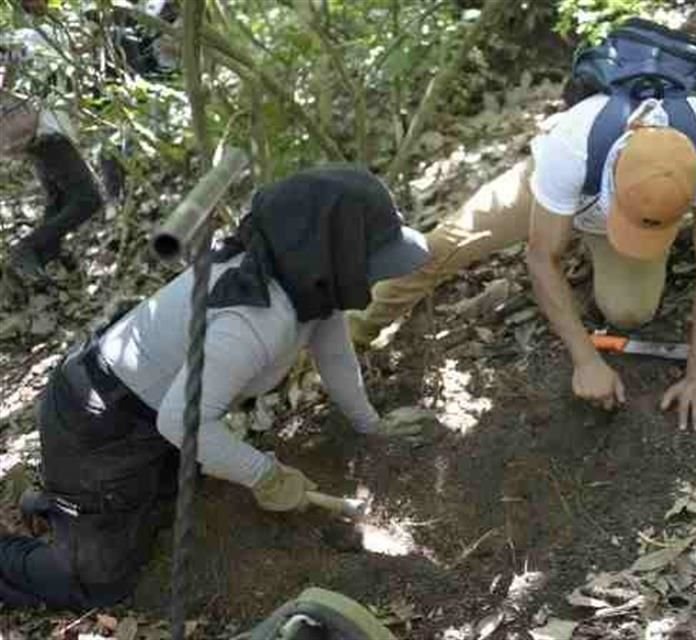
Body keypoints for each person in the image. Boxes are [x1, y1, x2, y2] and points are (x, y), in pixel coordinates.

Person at [0, 166, 430, 609]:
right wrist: (266, 475)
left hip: (148, 411)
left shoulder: (307, 283)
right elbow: (180, 421)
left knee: (166, 509)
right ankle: (60, 518)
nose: (377, 275)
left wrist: (370, 425)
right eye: (369, 258)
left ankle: (69, 507)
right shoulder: (252, 320)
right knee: (97, 584)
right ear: (328, 252)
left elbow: (335, 356)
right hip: (99, 423)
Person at [348, 58, 696, 435]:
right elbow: (540, 257)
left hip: (613, 211)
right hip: (554, 193)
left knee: (630, 313)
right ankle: (349, 332)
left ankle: (613, 245)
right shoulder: (572, 144)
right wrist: (585, 359)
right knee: (442, 248)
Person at [1, 15, 104, 283]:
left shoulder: (21, 40)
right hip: (47, 131)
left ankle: (46, 257)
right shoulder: (37, 35)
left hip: (33, 134)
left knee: (58, 199)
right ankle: (28, 249)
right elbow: (81, 43)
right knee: (88, 199)